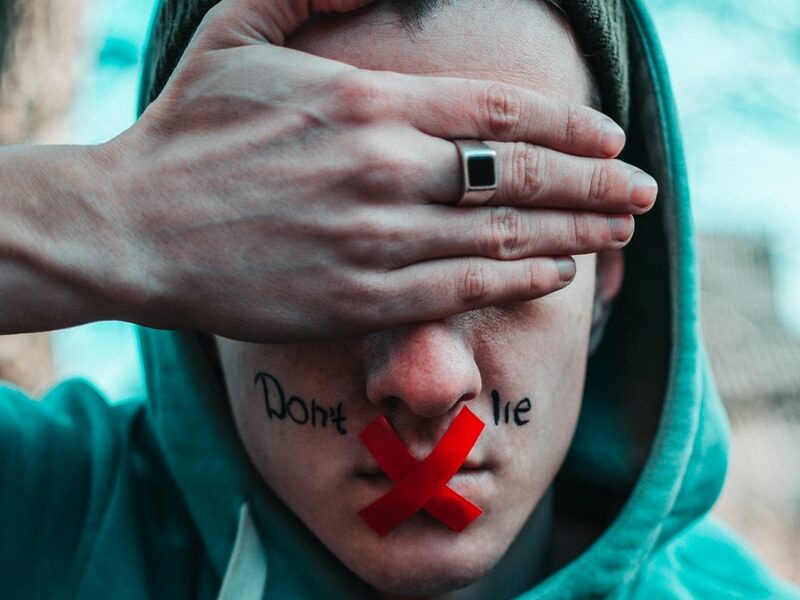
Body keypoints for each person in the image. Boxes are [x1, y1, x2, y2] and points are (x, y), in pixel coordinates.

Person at [1, 1, 797, 599]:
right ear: (195, 273)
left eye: (501, 243)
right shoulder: (45, 519)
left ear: (606, 278)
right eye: (323, 250)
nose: (425, 381)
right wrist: (113, 216)